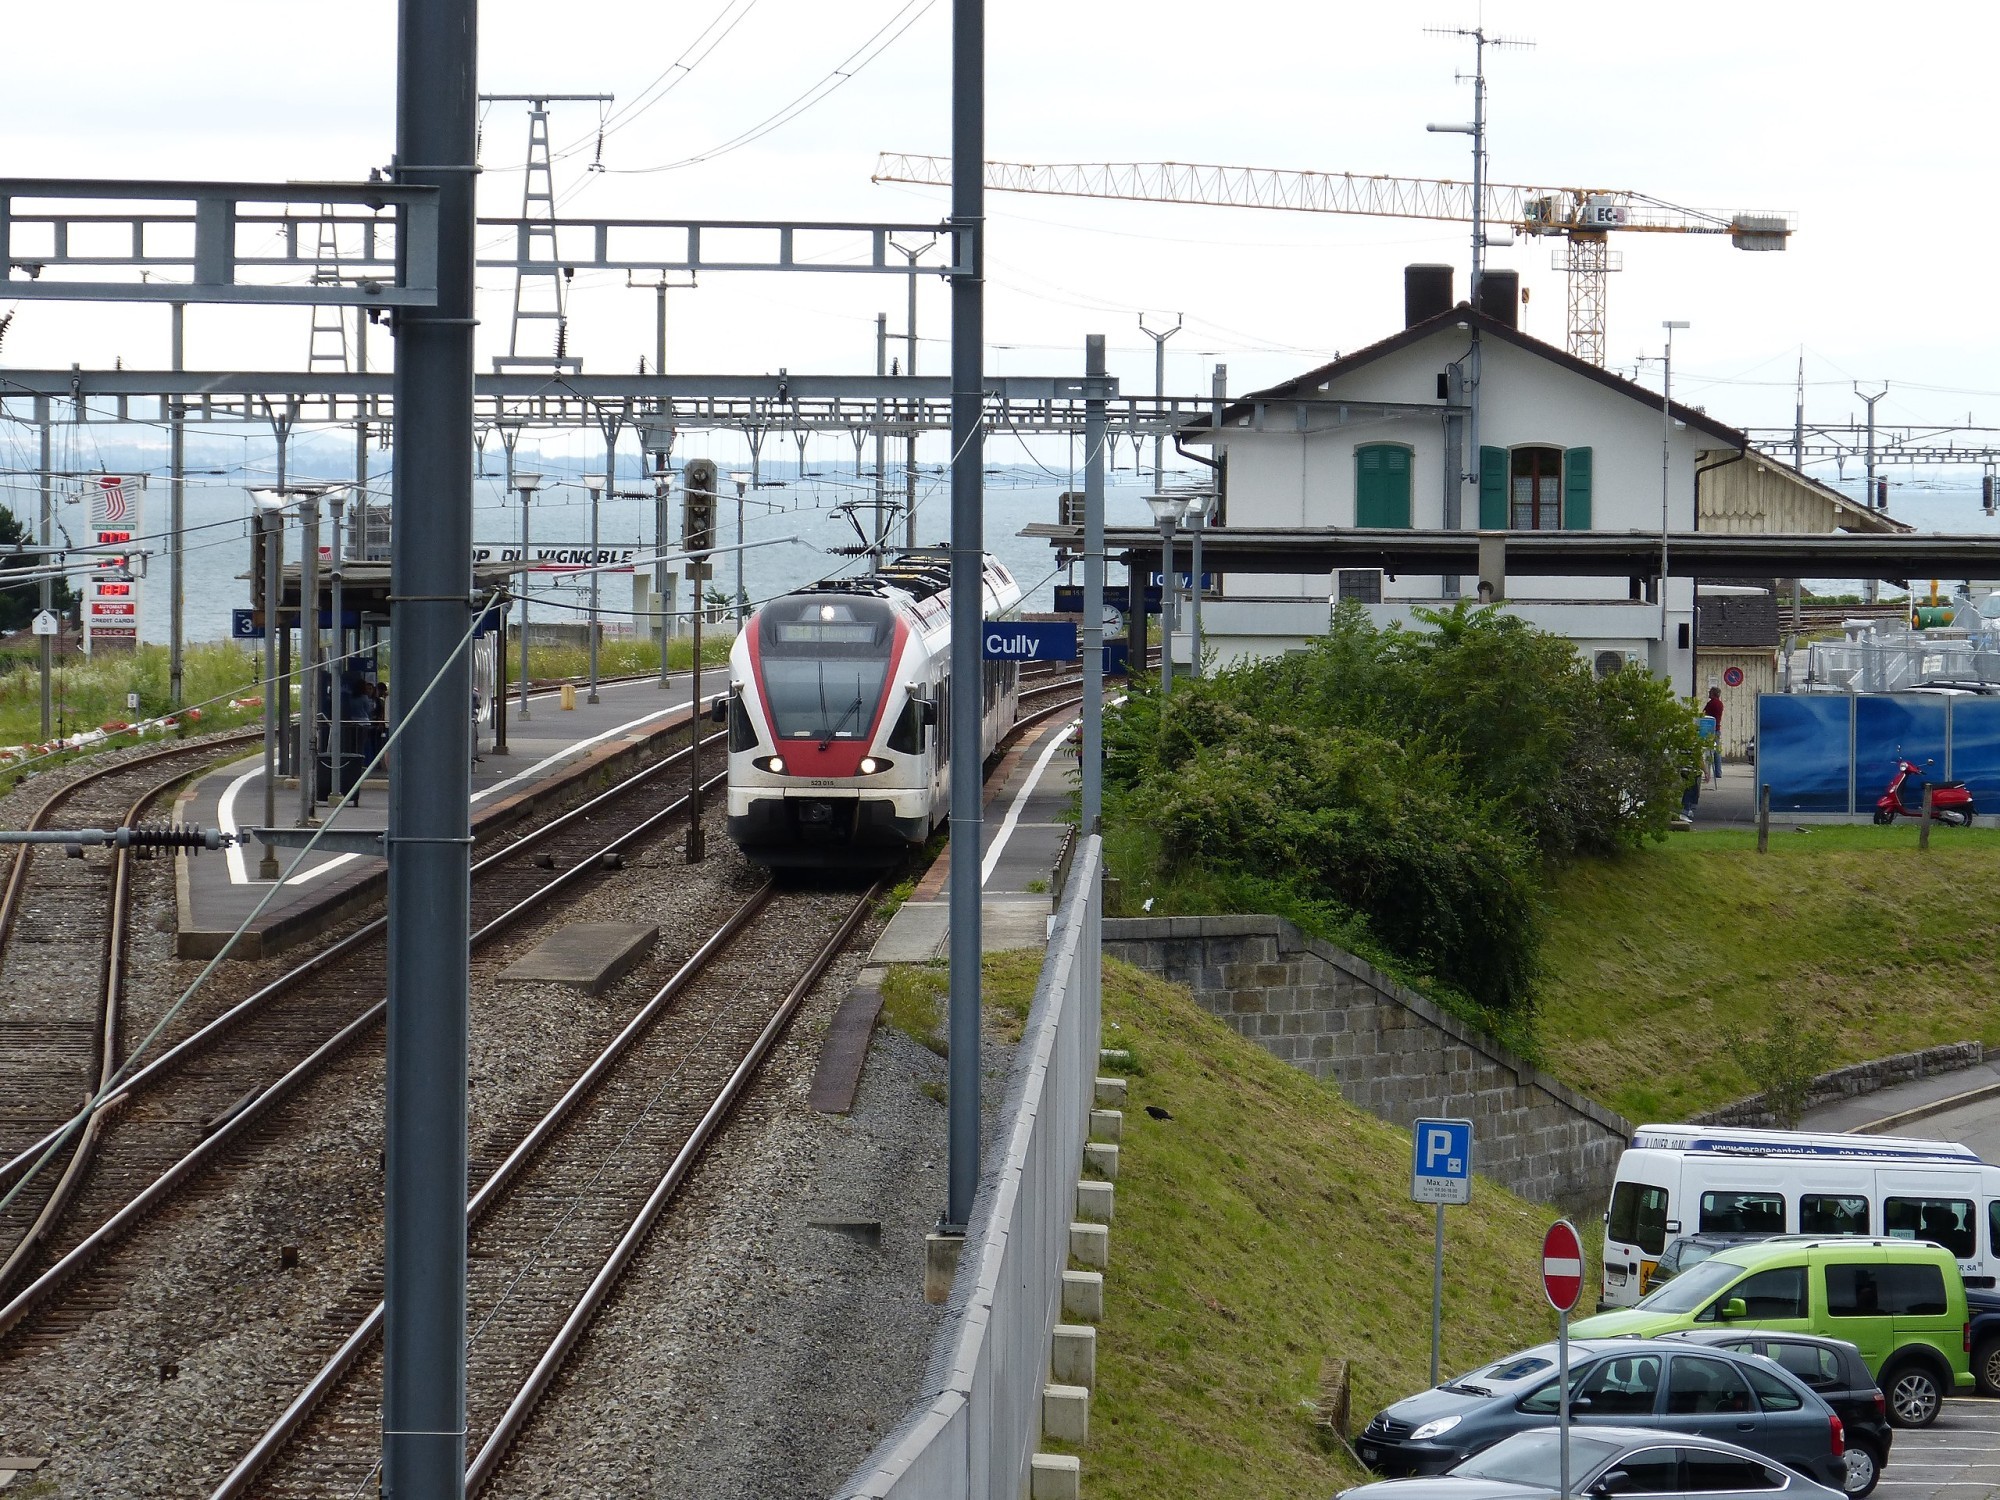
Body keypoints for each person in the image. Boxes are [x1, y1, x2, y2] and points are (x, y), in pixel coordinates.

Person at [1702, 687, 1725, 779]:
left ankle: (1707, 772)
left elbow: (1703, 714)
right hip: (1717, 729)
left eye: (1710, 692)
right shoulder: (1720, 704)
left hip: (1709, 730)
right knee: (1717, 752)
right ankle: (1718, 772)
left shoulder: (1711, 703)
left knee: (1708, 751)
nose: (1709, 693)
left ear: (1713, 693)